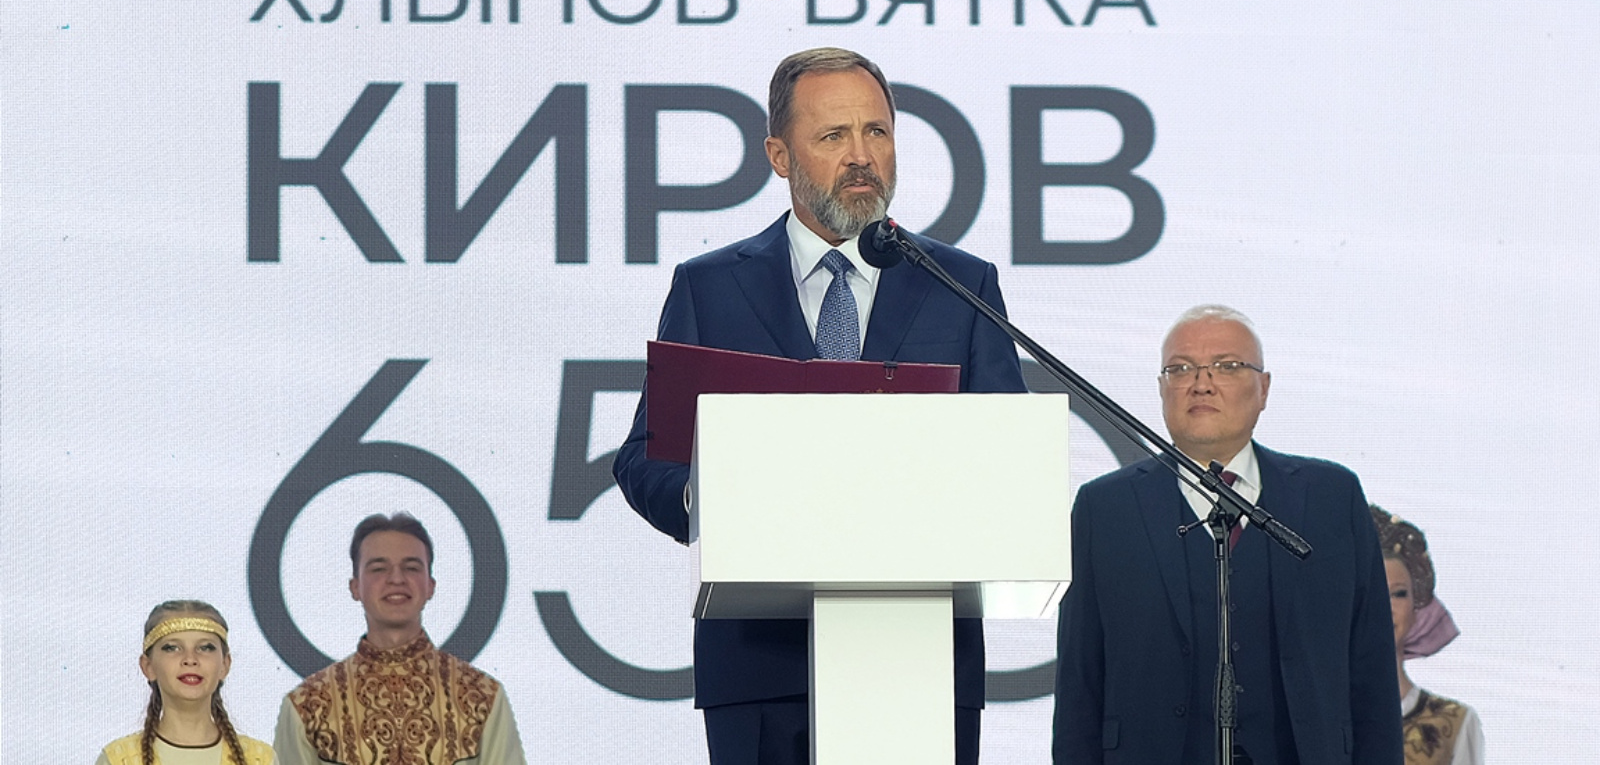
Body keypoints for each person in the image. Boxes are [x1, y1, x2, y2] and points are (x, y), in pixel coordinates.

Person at [613, 47, 1026, 765]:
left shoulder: (960, 285)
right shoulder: (711, 288)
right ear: (779, 155)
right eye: (834, 135)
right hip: (760, 670)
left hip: (920, 666)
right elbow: (645, 458)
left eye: (877, 132)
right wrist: (719, 494)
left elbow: (1007, 461)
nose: (861, 156)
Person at [1052, 304, 1403, 765]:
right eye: (1181, 369)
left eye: (1227, 366)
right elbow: (1079, 681)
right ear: (1161, 389)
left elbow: (1372, 668)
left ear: (1264, 388)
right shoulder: (1105, 508)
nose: (1202, 383)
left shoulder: (1331, 497)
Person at [274, 513, 525, 765]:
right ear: (355, 587)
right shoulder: (308, 705)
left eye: (411, 568)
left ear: (430, 585)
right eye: (379, 569)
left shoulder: (481, 696)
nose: (396, 579)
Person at [1370, 505, 1485, 765]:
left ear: (1418, 606)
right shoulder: (1309, 714)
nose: (1384, 607)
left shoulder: (1454, 725)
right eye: (1370, 592)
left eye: (1398, 594)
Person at [97, 600, 275, 765]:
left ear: (224, 664)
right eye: (172, 648)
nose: (190, 659)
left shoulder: (260, 759)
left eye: (205, 647)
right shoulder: (119, 760)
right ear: (148, 666)